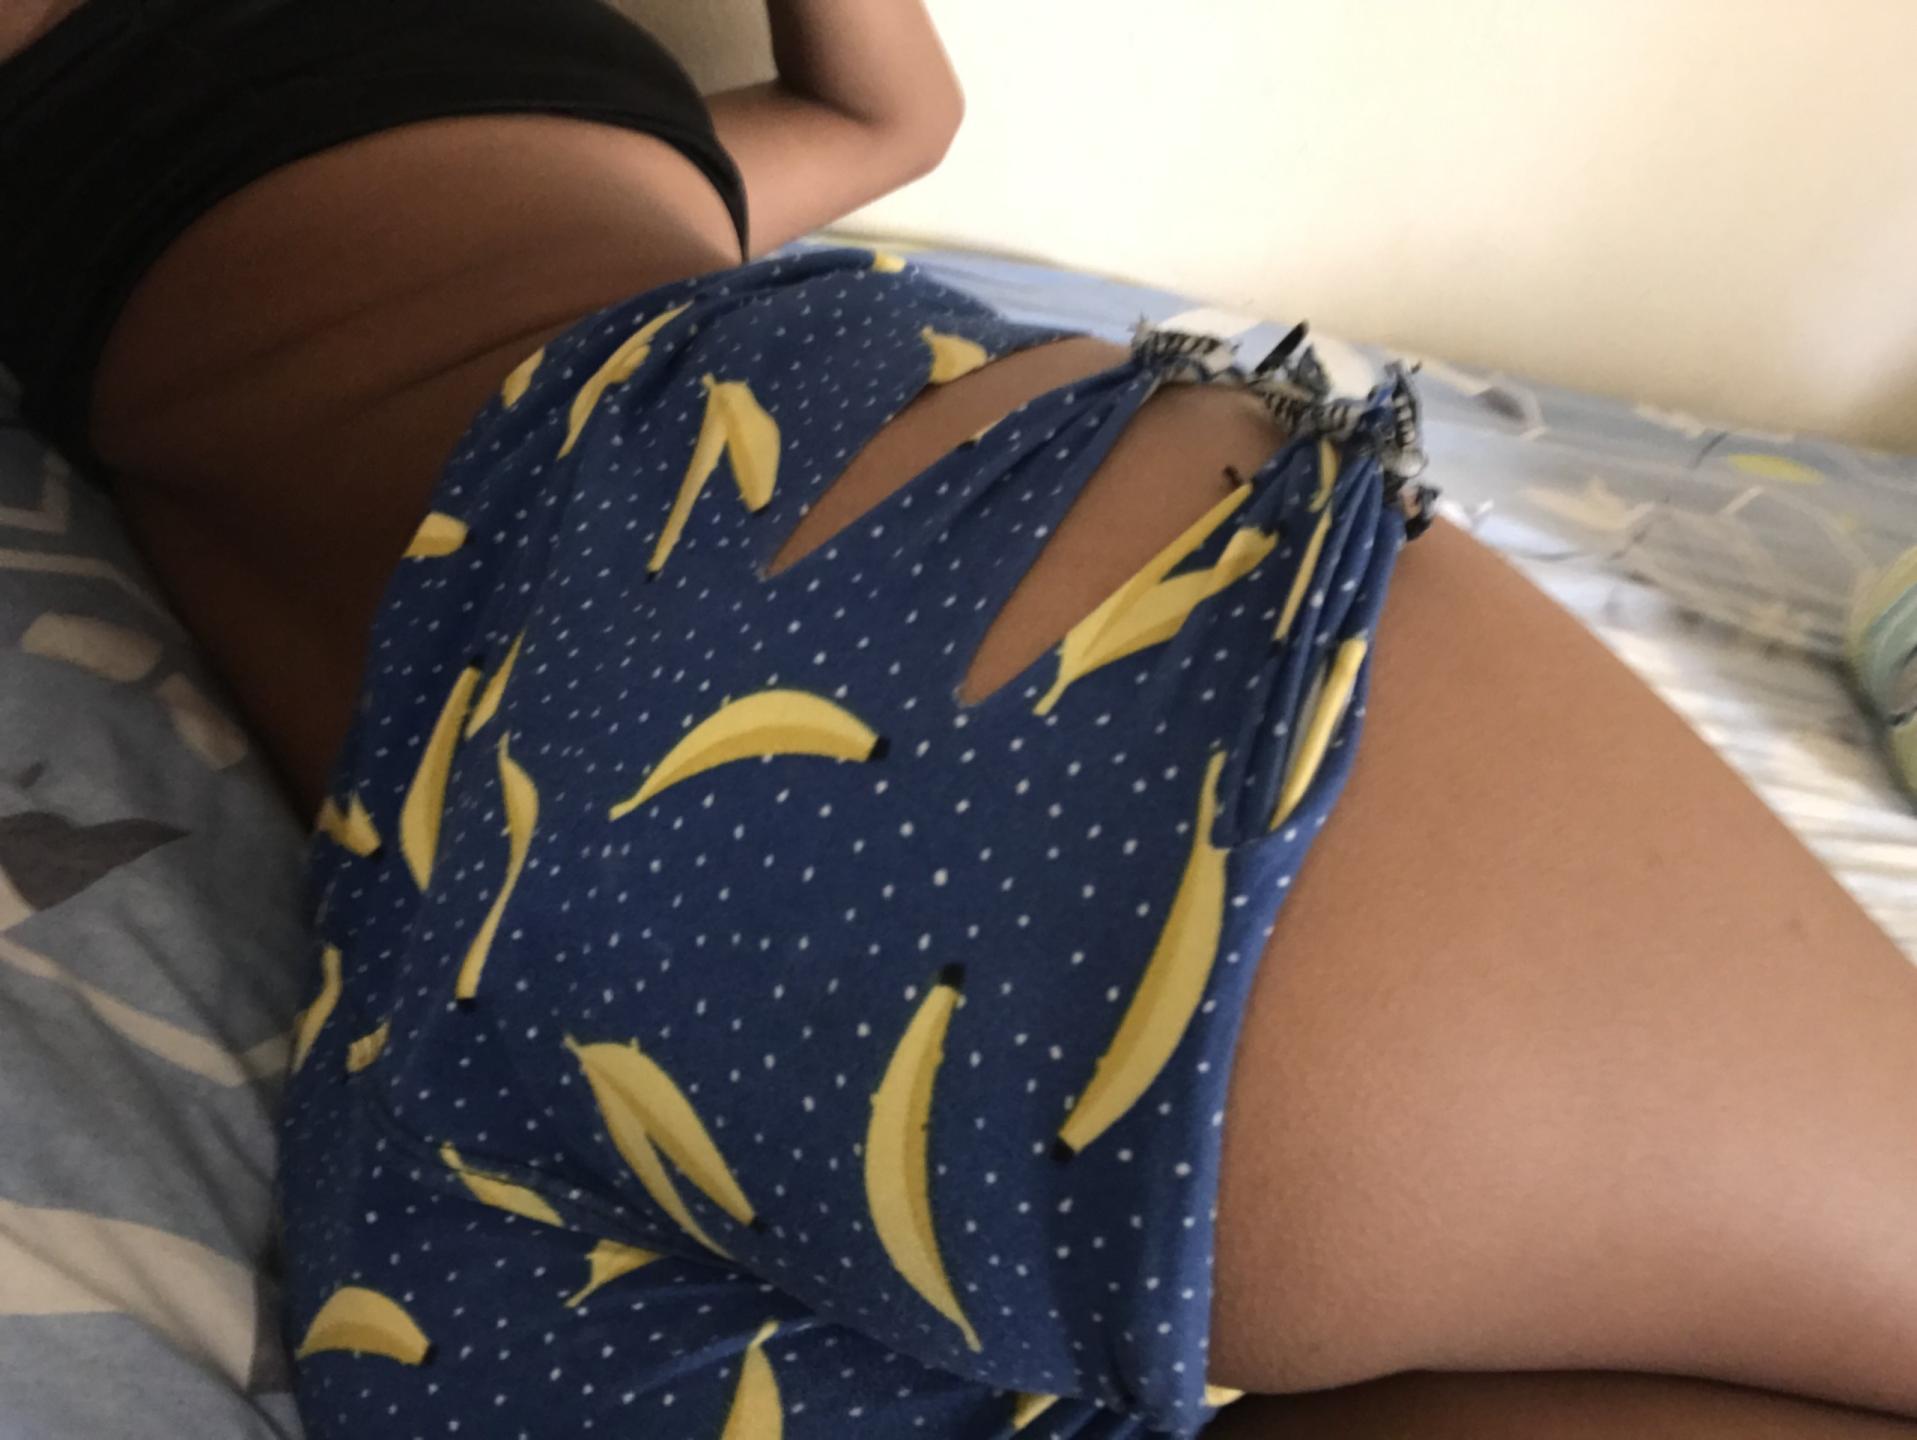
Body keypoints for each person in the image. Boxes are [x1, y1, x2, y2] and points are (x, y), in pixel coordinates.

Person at [4, 4, 1914, 1437]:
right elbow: (890, 120)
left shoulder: (506, 181)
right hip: (862, 657)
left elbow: (886, 121)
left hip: (476, 993)